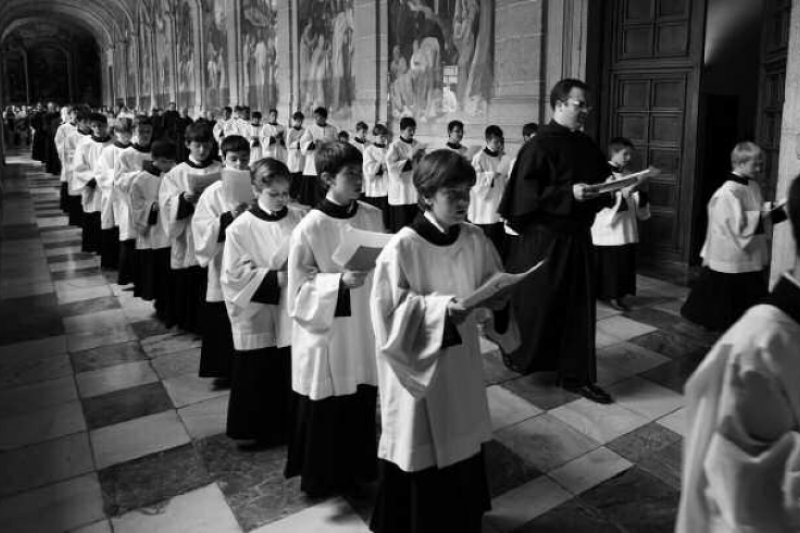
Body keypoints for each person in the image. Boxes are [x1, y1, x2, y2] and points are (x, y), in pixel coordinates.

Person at [370, 149, 509, 533]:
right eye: (454, 193)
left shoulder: (475, 237)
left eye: (467, 191)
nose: (465, 201)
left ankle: (462, 517)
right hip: (419, 370)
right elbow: (387, 316)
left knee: (462, 434)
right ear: (427, 195)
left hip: (461, 358)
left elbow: (490, 281)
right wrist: (439, 310)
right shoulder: (403, 246)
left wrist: (498, 297)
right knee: (423, 445)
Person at [676, 175, 800, 533]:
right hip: (731, 255)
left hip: (746, 258)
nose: (759, 165)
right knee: (721, 304)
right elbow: (735, 505)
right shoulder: (754, 353)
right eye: (754, 160)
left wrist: (764, 211)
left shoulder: (753, 187)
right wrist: (759, 214)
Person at [498, 78, 617, 404]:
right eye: (581, 105)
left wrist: (608, 189)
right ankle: (518, 353)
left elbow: (598, 183)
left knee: (578, 308)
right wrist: (568, 193)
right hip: (544, 241)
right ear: (560, 104)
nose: (586, 111)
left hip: (578, 238)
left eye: (587, 105)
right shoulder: (538, 145)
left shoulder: (585, 145)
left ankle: (577, 375)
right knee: (538, 304)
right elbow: (524, 197)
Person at [284, 141, 384, 496]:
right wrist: (337, 282)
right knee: (331, 401)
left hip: (364, 325)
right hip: (329, 330)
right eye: (351, 174)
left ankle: (361, 466)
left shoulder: (372, 215)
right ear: (327, 178)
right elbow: (296, 294)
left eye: (361, 172)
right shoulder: (310, 227)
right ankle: (324, 477)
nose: (360, 179)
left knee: (361, 395)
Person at [221, 158, 305, 446]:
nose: (282, 200)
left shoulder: (298, 219)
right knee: (260, 369)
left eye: (286, 193)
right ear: (256, 190)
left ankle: (291, 424)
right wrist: (273, 280)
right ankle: (259, 431)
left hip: (291, 306)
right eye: (274, 194)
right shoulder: (240, 228)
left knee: (289, 364)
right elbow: (234, 275)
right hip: (259, 308)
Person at [682, 141, 788, 331]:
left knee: (745, 290)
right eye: (755, 164)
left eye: (761, 163)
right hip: (731, 251)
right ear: (740, 163)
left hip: (748, 250)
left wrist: (777, 209)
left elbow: (754, 212)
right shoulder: (728, 191)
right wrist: (767, 211)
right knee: (723, 294)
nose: (759, 168)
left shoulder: (752, 185)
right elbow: (735, 224)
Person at [192, 135, 252, 384]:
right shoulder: (213, 192)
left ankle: (246, 365)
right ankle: (225, 370)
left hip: (252, 259)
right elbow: (201, 228)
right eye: (233, 159)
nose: (239, 164)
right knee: (223, 314)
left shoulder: (257, 185)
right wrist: (227, 219)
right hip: (223, 259)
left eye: (244, 159)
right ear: (223, 159)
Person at [160, 121, 222, 333]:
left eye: (207, 145)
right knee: (190, 277)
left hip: (214, 231)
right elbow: (166, 205)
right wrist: (183, 200)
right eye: (198, 145)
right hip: (187, 233)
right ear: (188, 144)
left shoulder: (220, 169)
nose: (203, 150)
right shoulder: (177, 173)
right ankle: (190, 322)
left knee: (212, 276)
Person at [591, 137, 652, 311]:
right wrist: (624, 193)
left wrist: (640, 192)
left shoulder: (628, 174)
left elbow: (633, 198)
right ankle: (610, 295)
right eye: (625, 154)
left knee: (623, 262)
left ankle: (619, 294)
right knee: (611, 263)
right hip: (608, 227)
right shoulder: (600, 172)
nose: (628, 158)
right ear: (614, 152)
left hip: (625, 226)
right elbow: (601, 199)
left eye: (630, 155)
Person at [129, 140, 176, 323]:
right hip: (153, 232)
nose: (168, 165)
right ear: (154, 159)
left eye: (171, 161)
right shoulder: (141, 179)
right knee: (157, 275)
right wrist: (152, 207)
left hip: (172, 231)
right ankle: (161, 306)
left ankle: (171, 306)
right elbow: (136, 205)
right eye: (164, 161)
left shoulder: (174, 174)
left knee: (170, 274)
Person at [116, 117, 155, 288]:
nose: (145, 135)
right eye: (141, 131)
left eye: (148, 131)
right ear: (133, 132)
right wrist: (140, 174)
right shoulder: (126, 154)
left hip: (152, 204)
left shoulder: (156, 152)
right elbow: (118, 180)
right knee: (131, 240)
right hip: (131, 204)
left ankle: (146, 279)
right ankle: (129, 277)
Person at [96, 117, 134, 270]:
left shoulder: (135, 150)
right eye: (122, 132)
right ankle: (113, 262)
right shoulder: (109, 151)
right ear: (116, 132)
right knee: (114, 228)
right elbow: (101, 173)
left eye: (129, 132)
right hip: (114, 197)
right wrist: (116, 176)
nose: (126, 135)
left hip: (131, 197)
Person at [73, 113, 113, 254]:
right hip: (93, 186)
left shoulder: (113, 143)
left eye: (100, 125)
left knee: (108, 216)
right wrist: (93, 178)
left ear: (106, 126)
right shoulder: (84, 143)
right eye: (94, 125)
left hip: (109, 186)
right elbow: (78, 165)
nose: (97, 128)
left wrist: (107, 178)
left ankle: (106, 249)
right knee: (93, 214)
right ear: (90, 126)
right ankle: (93, 245)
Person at [470, 125, 510, 256]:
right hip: (485, 207)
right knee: (486, 242)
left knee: (498, 242)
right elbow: (475, 181)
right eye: (495, 142)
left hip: (499, 200)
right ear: (487, 140)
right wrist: (493, 175)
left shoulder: (503, 157)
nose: (499, 145)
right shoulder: (479, 157)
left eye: (500, 141)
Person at [386, 117, 424, 232]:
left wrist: (422, 158)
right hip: (401, 192)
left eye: (414, 129)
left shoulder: (417, 144)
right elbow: (391, 167)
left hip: (414, 189)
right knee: (401, 228)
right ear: (402, 130)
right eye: (409, 130)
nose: (412, 132)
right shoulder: (395, 146)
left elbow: (423, 163)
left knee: (414, 228)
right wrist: (409, 159)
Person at [299, 107, 338, 207]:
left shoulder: (332, 129)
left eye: (319, 117)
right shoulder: (310, 128)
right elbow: (303, 143)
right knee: (311, 193)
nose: (316, 119)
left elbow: (336, 144)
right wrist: (313, 143)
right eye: (315, 117)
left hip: (327, 162)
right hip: (312, 163)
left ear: (325, 117)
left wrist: (329, 145)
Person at [65, 108, 93, 227]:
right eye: (85, 121)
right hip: (77, 172)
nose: (88, 125)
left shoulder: (94, 136)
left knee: (90, 200)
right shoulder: (71, 137)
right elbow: (69, 155)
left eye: (89, 122)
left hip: (92, 172)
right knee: (78, 198)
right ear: (79, 122)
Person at [362, 123, 390, 229]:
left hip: (387, 187)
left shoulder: (388, 150)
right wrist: (380, 166)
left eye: (385, 136)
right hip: (375, 189)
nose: (383, 138)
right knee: (375, 217)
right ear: (375, 136)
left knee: (386, 219)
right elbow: (368, 168)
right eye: (381, 136)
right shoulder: (369, 150)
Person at [55, 106, 77, 213]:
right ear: (70, 115)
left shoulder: (86, 128)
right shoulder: (63, 128)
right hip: (70, 159)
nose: (76, 116)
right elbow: (59, 144)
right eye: (74, 113)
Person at [286, 111, 306, 202]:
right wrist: (297, 143)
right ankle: (290, 195)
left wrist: (302, 143)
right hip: (293, 156)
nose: (300, 122)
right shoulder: (290, 131)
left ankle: (297, 195)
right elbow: (288, 144)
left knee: (300, 177)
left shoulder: (304, 131)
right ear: (294, 120)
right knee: (293, 178)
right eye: (298, 120)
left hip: (301, 157)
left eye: (301, 120)